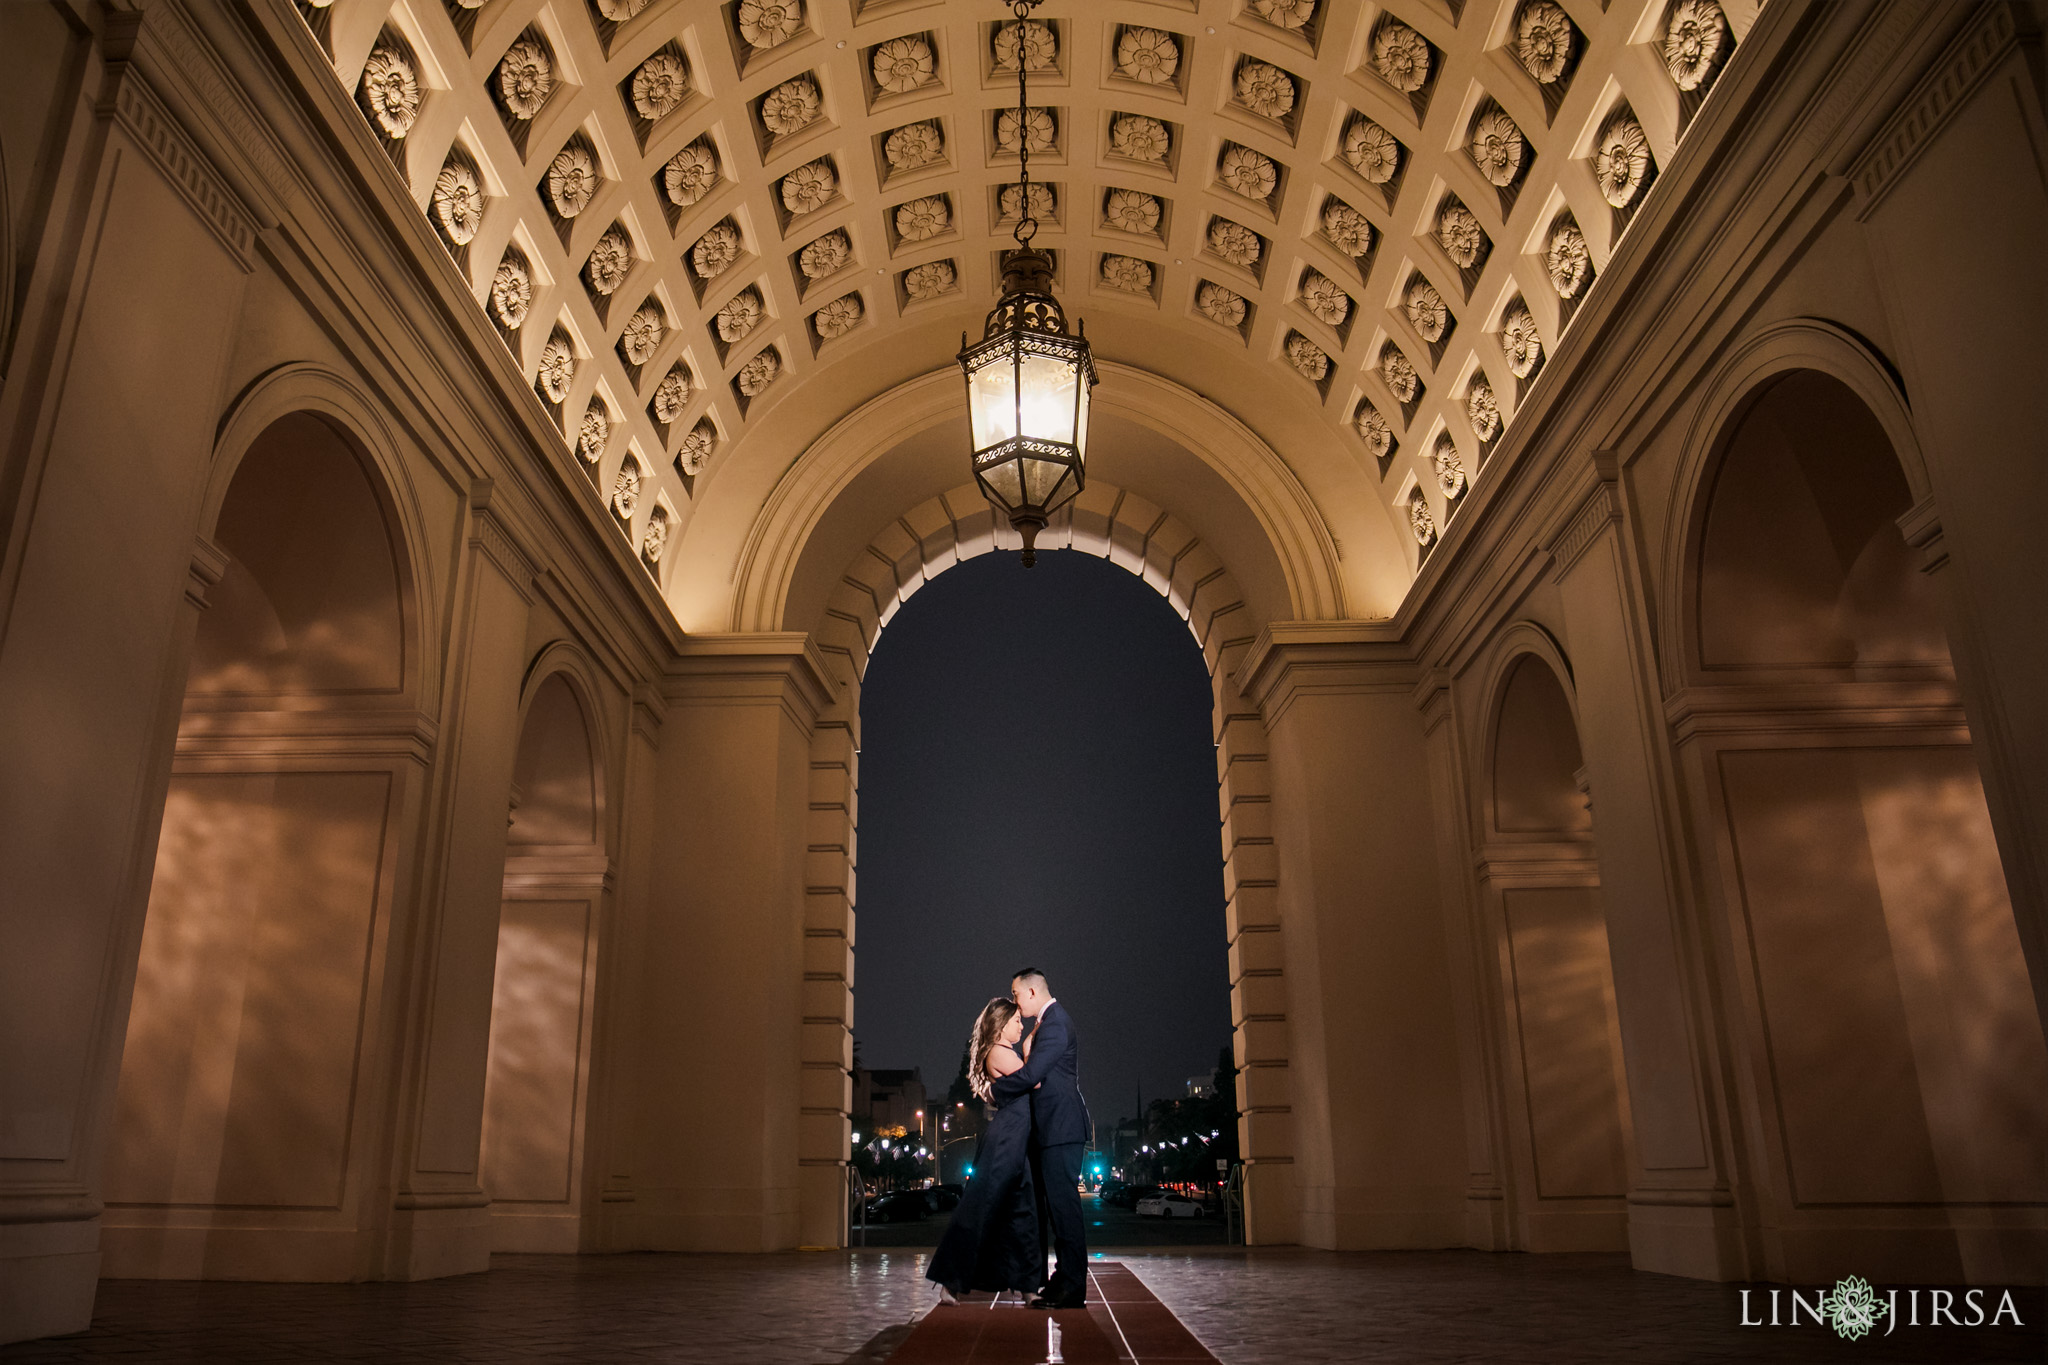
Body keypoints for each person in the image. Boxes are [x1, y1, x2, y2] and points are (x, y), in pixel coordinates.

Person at [925, 998, 1042, 1304]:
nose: (1021, 1024)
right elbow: (1035, 1081)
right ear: (1001, 1025)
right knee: (980, 1207)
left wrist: (1028, 1051)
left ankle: (1029, 1288)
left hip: (1017, 1138)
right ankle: (949, 1282)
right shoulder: (998, 1053)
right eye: (1017, 1020)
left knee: (1023, 1212)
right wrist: (1030, 1052)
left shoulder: (1007, 1053)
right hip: (1005, 1140)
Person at [990, 968, 1091, 1309]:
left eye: (1016, 994)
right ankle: (1062, 1279)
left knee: (1064, 1209)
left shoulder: (1056, 1023)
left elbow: (1032, 1075)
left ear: (1032, 992)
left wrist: (991, 1089)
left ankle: (1073, 1287)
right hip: (1052, 1129)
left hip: (1061, 1129)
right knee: (1054, 1208)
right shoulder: (1048, 1025)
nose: (1015, 1002)